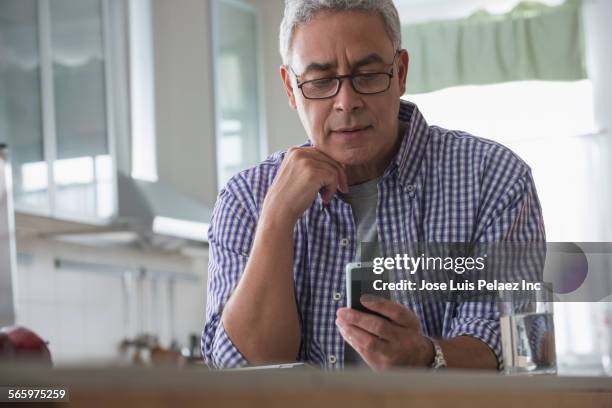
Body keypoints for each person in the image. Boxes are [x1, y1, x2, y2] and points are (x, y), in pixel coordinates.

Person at [202, 0, 545, 371]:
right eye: (320, 81)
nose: (346, 103)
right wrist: (276, 219)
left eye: (367, 75)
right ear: (290, 87)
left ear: (400, 73)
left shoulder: (492, 178)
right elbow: (240, 367)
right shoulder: (246, 199)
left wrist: (425, 356)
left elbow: (510, 344)